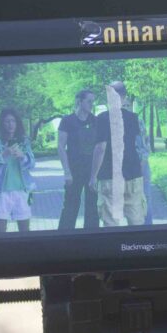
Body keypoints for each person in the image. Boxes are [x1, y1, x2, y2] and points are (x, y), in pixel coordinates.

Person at [88, 82, 148, 227]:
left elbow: (100, 148)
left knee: (111, 223)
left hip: (109, 177)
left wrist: (93, 176)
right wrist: (139, 171)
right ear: (125, 97)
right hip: (133, 177)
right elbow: (143, 150)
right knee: (136, 221)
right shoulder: (135, 118)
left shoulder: (102, 118)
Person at [0, 107, 36, 232]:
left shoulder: (24, 142)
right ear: (2, 124)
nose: (10, 124)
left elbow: (32, 164)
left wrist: (23, 157)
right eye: (7, 121)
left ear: (17, 123)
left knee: (25, 230)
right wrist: (3, 155)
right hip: (0, 193)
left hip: (22, 191)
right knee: (0, 231)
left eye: (13, 121)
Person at [57, 89, 99, 230]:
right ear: (79, 101)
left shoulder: (95, 121)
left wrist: (96, 174)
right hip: (74, 171)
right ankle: (64, 241)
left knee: (92, 208)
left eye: (93, 101)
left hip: (92, 172)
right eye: (89, 101)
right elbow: (61, 147)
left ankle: (92, 242)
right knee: (70, 206)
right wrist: (67, 172)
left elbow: (101, 148)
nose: (91, 104)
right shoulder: (67, 121)